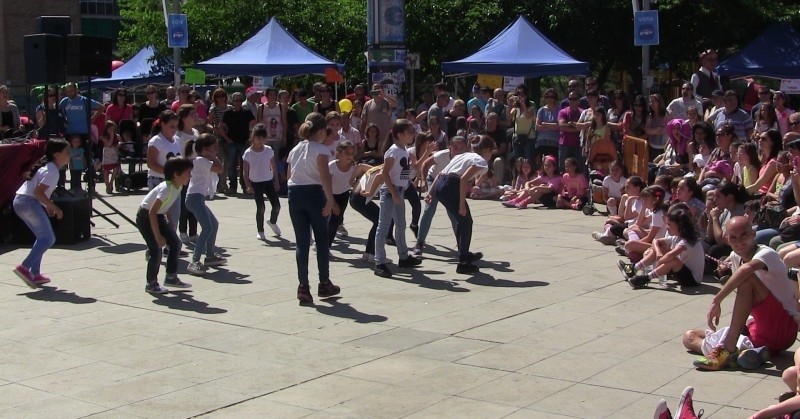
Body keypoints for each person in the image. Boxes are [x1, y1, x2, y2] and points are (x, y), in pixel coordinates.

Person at [685, 216, 800, 370]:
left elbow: (747, 270)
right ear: (727, 239)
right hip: (757, 330)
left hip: (783, 329)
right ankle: (744, 354)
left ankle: (729, 349)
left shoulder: (766, 253)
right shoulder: (735, 257)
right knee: (689, 337)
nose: (739, 242)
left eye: (744, 235)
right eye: (733, 237)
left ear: (753, 234)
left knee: (747, 279)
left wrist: (717, 300)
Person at [287, 112, 340, 304]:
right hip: (314, 193)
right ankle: (324, 282)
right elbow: (325, 176)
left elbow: (289, 175)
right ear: (320, 131)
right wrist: (330, 199)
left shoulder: (296, 149)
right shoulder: (321, 150)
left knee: (302, 242)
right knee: (321, 239)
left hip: (295, 194)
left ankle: (303, 286)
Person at [430, 134, 496, 274]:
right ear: (488, 150)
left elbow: (441, 174)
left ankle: (463, 254)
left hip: (441, 186)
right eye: (492, 152)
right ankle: (463, 262)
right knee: (467, 222)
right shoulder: (481, 161)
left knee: (462, 221)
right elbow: (464, 179)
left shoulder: (464, 155)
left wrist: (431, 192)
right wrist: (461, 204)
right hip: (451, 185)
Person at [12, 138, 71, 288]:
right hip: (28, 202)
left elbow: (37, 192)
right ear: (57, 155)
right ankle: (25, 267)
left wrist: (47, 206)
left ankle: (36, 273)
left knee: (42, 237)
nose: (70, 155)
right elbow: (38, 192)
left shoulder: (48, 167)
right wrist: (55, 208)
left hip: (20, 201)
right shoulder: (52, 172)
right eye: (67, 152)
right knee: (48, 238)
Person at [136, 157, 194, 294]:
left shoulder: (177, 186)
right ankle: (151, 283)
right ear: (176, 174)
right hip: (146, 217)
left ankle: (171, 277)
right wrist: (158, 236)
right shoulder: (166, 188)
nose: (190, 176)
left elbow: (165, 205)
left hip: (158, 216)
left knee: (176, 243)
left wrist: (168, 218)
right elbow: (152, 212)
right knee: (156, 249)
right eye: (187, 173)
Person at [373, 119, 423, 278]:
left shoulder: (404, 151)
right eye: (409, 132)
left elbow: (402, 173)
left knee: (400, 225)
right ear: (399, 135)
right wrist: (394, 193)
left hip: (399, 192)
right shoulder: (393, 151)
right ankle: (379, 261)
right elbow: (384, 173)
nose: (412, 134)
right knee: (383, 226)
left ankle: (403, 256)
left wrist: (406, 185)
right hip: (389, 193)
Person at [620, 203, 705, 288]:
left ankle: (646, 278)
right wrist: (658, 252)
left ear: (680, 226)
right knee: (660, 248)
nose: (667, 227)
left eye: (670, 225)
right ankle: (633, 268)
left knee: (673, 260)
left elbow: (670, 255)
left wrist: (659, 262)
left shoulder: (687, 241)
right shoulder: (676, 237)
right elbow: (656, 241)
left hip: (692, 280)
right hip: (680, 271)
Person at [413, 136, 468, 256]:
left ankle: (461, 246)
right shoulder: (442, 155)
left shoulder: (467, 159)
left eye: (462, 148)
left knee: (454, 214)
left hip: (450, 183)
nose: (459, 151)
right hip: (433, 179)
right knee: (429, 209)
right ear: (450, 148)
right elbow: (425, 165)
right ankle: (419, 243)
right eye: (455, 148)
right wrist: (422, 180)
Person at [184, 134, 227, 276]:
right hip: (194, 198)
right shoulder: (202, 160)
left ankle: (210, 256)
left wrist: (211, 155)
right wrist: (212, 157)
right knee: (207, 228)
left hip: (197, 198)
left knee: (214, 224)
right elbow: (220, 169)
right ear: (204, 150)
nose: (216, 150)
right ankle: (195, 260)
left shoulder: (201, 160)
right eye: (214, 148)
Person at [328, 141, 371, 249]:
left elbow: (371, 170)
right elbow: (325, 186)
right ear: (338, 153)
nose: (350, 156)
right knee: (326, 220)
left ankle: (326, 245)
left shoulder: (354, 167)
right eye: (347, 153)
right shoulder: (332, 166)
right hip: (328, 195)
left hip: (343, 195)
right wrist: (332, 203)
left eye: (352, 153)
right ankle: (322, 243)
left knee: (335, 220)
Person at [243, 124, 282, 241]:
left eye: (263, 138)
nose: (261, 141)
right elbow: (245, 171)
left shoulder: (268, 150)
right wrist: (248, 185)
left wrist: (277, 181)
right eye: (258, 138)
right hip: (256, 183)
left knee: (277, 206)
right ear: (253, 137)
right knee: (261, 208)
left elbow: (273, 166)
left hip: (268, 181)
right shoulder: (248, 153)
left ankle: (272, 221)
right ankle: (260, 230)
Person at [221, 92, 256, 195]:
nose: (238, 102)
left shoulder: (247, 112)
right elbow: (221, 126)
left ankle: (245, 186)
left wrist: (251, 136)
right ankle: (233, 186)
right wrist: (226, 138)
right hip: (232, 142)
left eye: (240, 100)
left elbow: (255, 123)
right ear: (232, 101)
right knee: (231, 165)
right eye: (235, 100)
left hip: (244, 142)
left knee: (244, 165)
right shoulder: (228, 113)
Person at [176, 104, 199, 243]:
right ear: (183, 117)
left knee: (195, 202)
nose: (195, 117)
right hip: (185, 172)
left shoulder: (196, 132)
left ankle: (193, 232)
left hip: (197, 172)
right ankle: (183, 231)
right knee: (184, 203)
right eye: (192, 114)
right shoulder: (179, 135)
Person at [99, 120, 120, 195]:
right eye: (110, 129)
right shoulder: (103, 136)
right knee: (106, 171)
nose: (112, 131)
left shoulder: (116, 136)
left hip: (113, 153)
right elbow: (109, 144)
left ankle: (111, 182)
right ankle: (108, 186)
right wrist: (111, 136)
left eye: (113, 129)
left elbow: (121, 143)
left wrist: (119, 144)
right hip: (107, 153)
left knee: (115, 168)